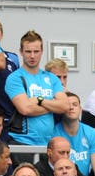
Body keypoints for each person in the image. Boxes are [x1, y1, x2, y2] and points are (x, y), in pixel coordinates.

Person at [5, 30, 68, 159]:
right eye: (28, 52)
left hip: (48, 145)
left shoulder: (51, 78)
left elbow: (65, 106)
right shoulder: (15, 78)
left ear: (42, 51)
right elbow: (25, 109)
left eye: (36, 51)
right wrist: (52, 105)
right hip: (22, 142)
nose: (32, 56)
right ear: (21, 52)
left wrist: (40, 100)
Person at [53, 92, 95, 176]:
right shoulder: (53, 133)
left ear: (80, 109)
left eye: (75, 104)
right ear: (62, 109)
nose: (71, 107)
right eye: (68, 105)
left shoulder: (91, 133)